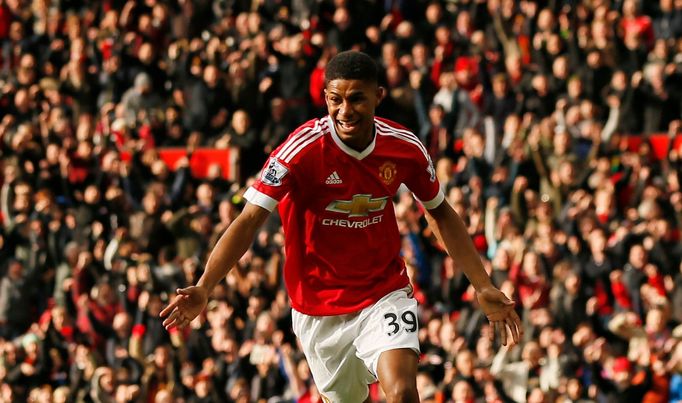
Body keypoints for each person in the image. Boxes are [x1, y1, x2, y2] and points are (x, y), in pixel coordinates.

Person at [160, 50, 522, 403]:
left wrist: (483, 283)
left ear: (378, 97)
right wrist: (206, 286)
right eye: (335, 99)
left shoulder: (405, 147)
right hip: (318, 307)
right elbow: (250, 218)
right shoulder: (300, 150)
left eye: (357, 99)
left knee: (403, 392)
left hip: (383, 292)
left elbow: (440, 213)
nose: (345, 111)